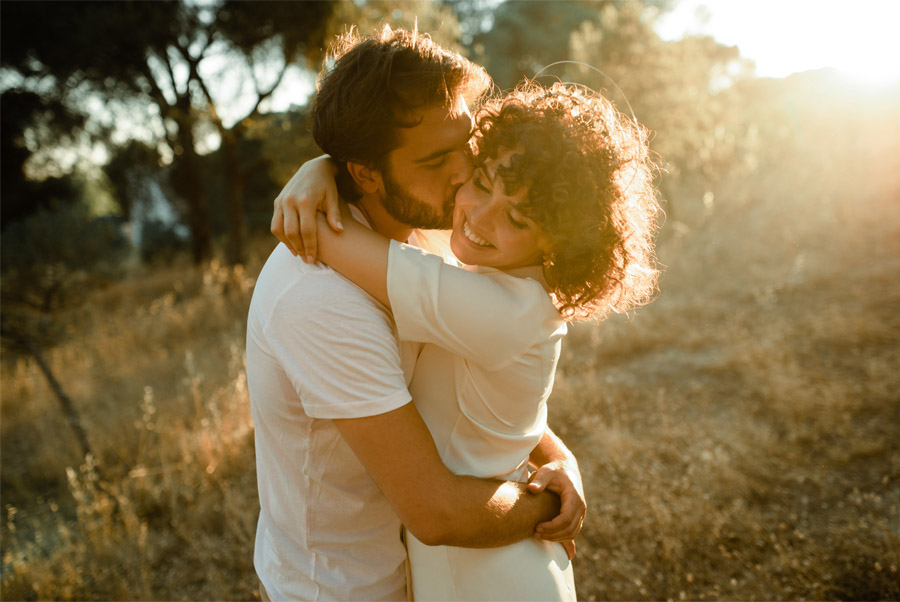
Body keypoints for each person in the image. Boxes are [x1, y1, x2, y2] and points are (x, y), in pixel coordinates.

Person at [272, 82, 661, 600]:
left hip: (489, 574)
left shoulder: (498, 310)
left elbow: (322, 231)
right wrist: (326, 163)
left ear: (559, 246)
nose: (479, 216)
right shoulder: (498, 281)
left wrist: (320, 175)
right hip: (483, 560)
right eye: (482, 181)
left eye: (517, 217)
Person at [247, 27, 586, 601]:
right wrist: (546, 505)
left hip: (432, 576)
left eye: (466, 143)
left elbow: (475, 391)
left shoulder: (435, 230)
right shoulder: (319, 299)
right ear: (365, 173)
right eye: (436, 158)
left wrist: (560, 459)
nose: (463, 175)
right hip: (348, 589)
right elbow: (438, 513)